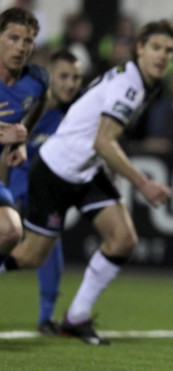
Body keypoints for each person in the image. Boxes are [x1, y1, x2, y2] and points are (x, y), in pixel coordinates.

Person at [0, 20, 173, 346]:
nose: (162, 56)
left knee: (123, 239)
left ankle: (77, 316)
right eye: (155, 48)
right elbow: (103, 142)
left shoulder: (139, 80)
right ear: (140, 48)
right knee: (29, 257)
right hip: (56, 169)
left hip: (86, 171)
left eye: (168, 50)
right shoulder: (131, 84)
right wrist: (143, 184)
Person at [6, 50, 83, 335]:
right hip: (13, 192)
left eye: (76, 77)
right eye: (64, 76)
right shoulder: (23, 108)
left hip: (42, 192)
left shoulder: (75, 113)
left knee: (50, 244)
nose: (71, 83)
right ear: (49, 77)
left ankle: (47, 317)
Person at [0, 8, 48, 272]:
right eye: (12, 38)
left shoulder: (36, 80)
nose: (20, 47)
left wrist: (20, 139)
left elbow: (38, 104)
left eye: (27, 41)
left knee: (10, 231)